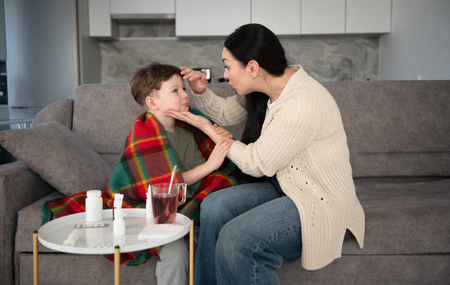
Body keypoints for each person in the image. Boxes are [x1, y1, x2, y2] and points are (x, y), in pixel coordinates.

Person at [166, 23, 365, 285]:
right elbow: (226, 113)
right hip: (285, 186)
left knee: (237, 239)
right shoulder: (267, 89)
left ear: (252, 68)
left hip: (317, 199)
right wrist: (201, 92)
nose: (225, 75)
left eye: (228, 66)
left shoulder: (302, 103)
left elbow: (257, 163)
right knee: (214, 206)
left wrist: (210, 131)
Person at [128, 63, 236, 285]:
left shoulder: (190, 126)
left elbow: (226, 161)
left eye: (184, 89)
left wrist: (221, 138)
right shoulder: (144, 132)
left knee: (218, 241)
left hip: (193, 205)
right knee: (176, 252)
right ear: (152, 102)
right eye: (175, 90)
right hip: (159, 211)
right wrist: (210, 165)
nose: (185, 95)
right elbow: (160, 184)